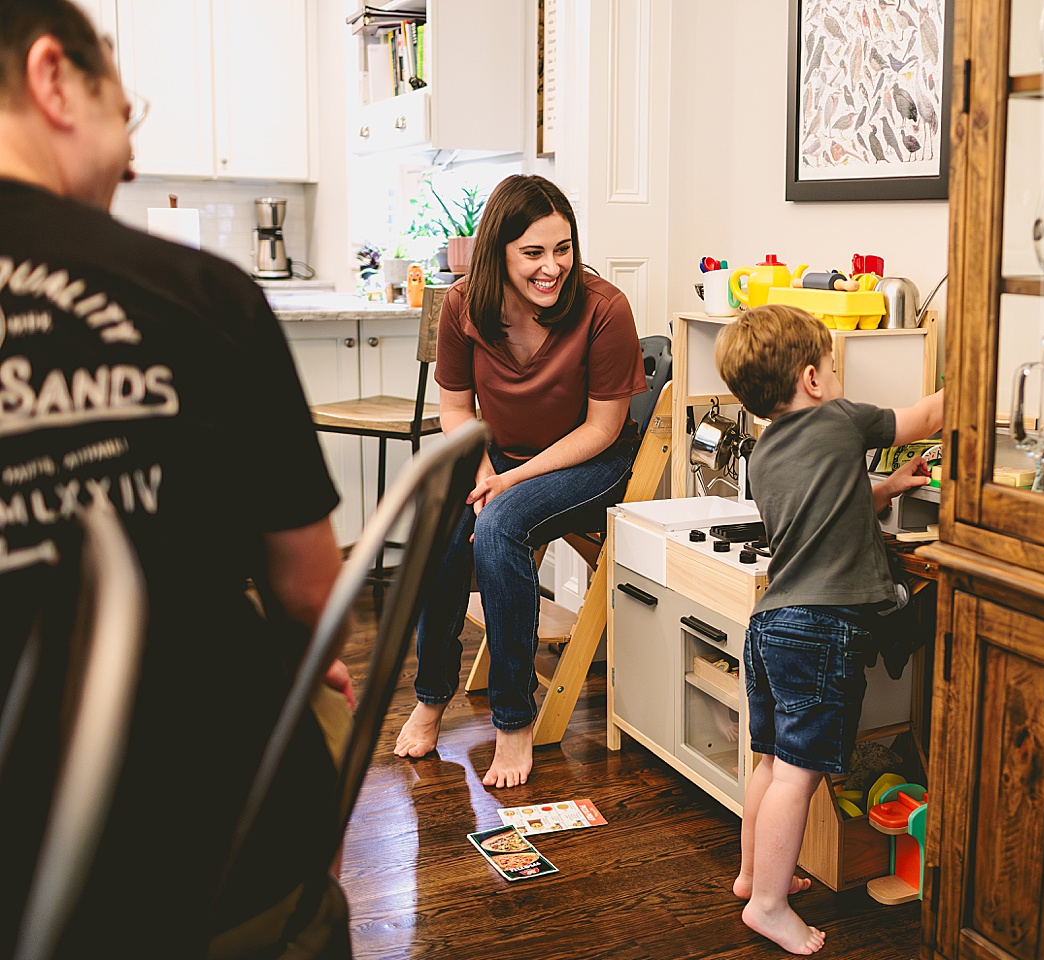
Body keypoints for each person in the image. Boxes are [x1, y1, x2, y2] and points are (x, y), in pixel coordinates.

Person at [0, 2, 353, 956]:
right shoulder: (203, 297)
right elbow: (315, 598)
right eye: (127, 112)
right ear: (53, 79)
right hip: (205, 851)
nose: (128, 157)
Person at [394, 174, 648, 788]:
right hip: (501, 459)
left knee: (501, 525)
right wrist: (484, 471)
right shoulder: (462, 306)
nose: (552, 267)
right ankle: (431, 697)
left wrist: (509, 483)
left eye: (562, 249)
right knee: (442, 528)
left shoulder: (604, 308)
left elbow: (604, 427)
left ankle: (513, 721)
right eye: (533, 252)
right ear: (498, 252)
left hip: (592, 463)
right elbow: (455, 409)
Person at [714, 304, 944, 955]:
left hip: (770, 624)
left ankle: (752, 877)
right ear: (813, 379)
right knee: (799, 775)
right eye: (835, 366)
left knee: (769, 763)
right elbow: (926, 417)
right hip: (821, 627)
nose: (839, 376)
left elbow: (829, 505)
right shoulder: (841, 419)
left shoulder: (765, 453)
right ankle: (769, 903)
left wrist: (889, 487)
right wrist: (983, 375)